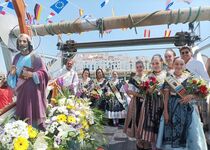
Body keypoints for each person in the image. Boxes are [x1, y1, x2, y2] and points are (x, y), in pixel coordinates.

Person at [156, 57, 208, 150]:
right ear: (173, 65)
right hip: (172, 107)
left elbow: (201, 93)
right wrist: (166, 112)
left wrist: (190, 96)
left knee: (190, 132)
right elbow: (166, 96)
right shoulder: (169, 78)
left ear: (184, 66)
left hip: (188, 108)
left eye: (181, 64)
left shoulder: (190, 77)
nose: (179, 66)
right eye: (176, 64)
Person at [7, 34, 49, 130]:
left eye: (24, 41)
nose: (22, 43)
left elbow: (44, 73)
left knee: (34, 114)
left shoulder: (35, 57)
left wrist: (31, 74)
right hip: (21, 92)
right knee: (23, 117)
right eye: (19, 41)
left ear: (29, 43)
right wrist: (12, 74)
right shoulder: (16, 58)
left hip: (34, 92)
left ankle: (37, 134)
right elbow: (11, 79)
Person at [137, 54, 166, 150]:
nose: (155, 65)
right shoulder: (148, 75)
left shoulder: (167, 75)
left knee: (161, 128)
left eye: (157, 63)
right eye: (153, 63)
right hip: (149, 105)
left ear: (162, 62)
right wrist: (148, 89)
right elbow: (144, 91)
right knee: (150, 132)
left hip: (162, 104)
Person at [179, 46, 210, 131]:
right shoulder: (181, 66)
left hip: (198, 95)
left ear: (191, 53)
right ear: (180, 55)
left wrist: (201, 91)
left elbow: (206, 79)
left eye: (186, 52)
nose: (185, 54)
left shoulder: (197, 63)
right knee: (191, 123)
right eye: (182, 53)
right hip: (186, 96)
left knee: (202, 121)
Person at [123, 60, 148, 149]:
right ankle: (138, 140)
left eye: (140, 66)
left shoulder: (147, 77)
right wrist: (141, 95)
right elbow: (130, 91)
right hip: (136, 102)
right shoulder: (133, 79)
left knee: (146, 120)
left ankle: (145, 139)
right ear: (135, 68)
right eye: (137, 67)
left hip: (147, 101)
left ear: (143, 67)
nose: (139, 68)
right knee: (137, 120)